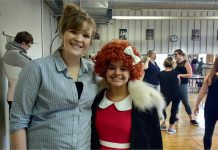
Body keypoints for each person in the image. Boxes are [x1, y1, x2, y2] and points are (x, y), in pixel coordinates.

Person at [10, 3, 98, 149]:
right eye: (73, 31)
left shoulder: (94, 72)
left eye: (85, 35)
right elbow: (18, 120)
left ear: (90, 41)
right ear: (63, 32)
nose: (79, 39)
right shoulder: (36, 69)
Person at [91, 39, 165, 149]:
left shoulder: (146, 104)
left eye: (123, 69)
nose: (117, 73)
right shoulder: (96, 99)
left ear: (131, 72)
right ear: (104, 70)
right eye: (112, 68)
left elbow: (156, 142)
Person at [3, 31, 33, 111]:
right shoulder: (15, 54)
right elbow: (33, 67)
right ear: (23, 44)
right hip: (17, 97)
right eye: (28, 46)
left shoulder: (10, 52)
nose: (28, 49)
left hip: (15, 96)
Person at [194, 57, 218, 150]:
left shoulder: (209, 76)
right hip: (210, 108)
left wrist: (196, 106)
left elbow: (202, 92)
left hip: (210, 108)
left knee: (208, 132)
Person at [174, 49, 198, 125]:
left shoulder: (186, 63)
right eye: (174, 54)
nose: (175, 55)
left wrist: (180, 75)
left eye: (176, 54)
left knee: (185, 102)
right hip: (176, 85)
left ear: (181, 55)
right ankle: (176, 116)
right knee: (176, 101)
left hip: (183, 84)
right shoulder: (175, 63)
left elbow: (190, 74)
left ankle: (192, 119)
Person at [158, 57, 181, 134]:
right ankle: (170, 128)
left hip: (165, 94)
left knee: (162, 109)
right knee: (174, 110)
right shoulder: (176, 73)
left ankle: (163, 124)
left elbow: (158, 84)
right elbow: (179, 82)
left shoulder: (160, 74)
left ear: (164, 64)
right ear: (173, 64)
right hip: (176, 94)